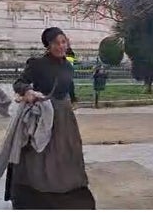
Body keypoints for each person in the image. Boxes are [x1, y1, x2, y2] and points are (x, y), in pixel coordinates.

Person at [6, 27, 95, 209]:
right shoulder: (37, 64)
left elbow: (69, 86)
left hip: (64, 114)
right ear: (48, 45)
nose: (61, 46)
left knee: (66, 150)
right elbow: (19, 83)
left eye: (63, 42)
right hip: (43, 114)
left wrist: (74, 100)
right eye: (56, 43)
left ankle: (66, 185)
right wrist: (28, 91)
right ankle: (37, 189)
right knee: (40, 152)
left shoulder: (68, 66)